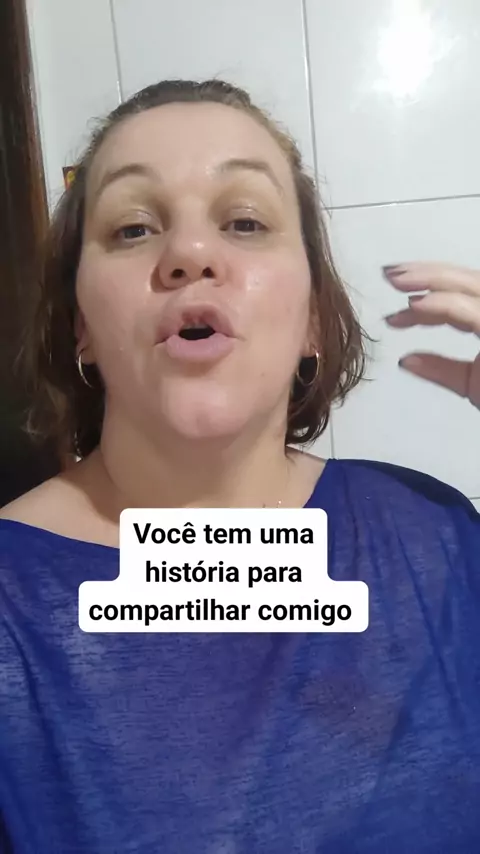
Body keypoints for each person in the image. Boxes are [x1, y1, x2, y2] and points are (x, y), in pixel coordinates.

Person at [0, 78, 479, 853]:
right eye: (132, 228)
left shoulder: (438, 538)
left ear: (314, 317)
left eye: (246, 221)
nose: (190, 254)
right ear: (81, 323)